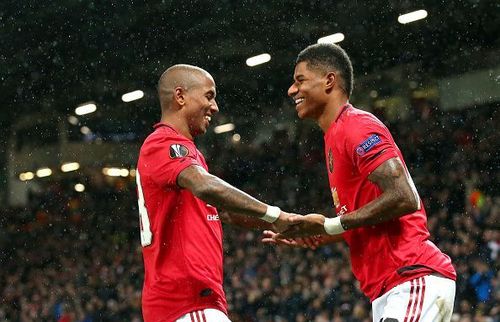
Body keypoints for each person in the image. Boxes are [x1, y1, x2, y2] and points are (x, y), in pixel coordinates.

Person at [264, 43, 457, 322]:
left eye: (299, 80)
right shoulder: (332, 137)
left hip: (412, 277)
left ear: (329, 80)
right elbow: (362, 220)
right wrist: (319, 233)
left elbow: (404, 196)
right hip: (388, 289)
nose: (291, 90)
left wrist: (330, 224)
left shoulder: (357, 126)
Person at [136, 64, 298, 322]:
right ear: (180, 97)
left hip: (190, 303)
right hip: (186, 301)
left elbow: (224, 211)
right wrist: (275, 214)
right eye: (209, 96)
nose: (215, 107)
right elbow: (204, 185)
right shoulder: (163, 143)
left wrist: (286, 224)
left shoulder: (189, 156)